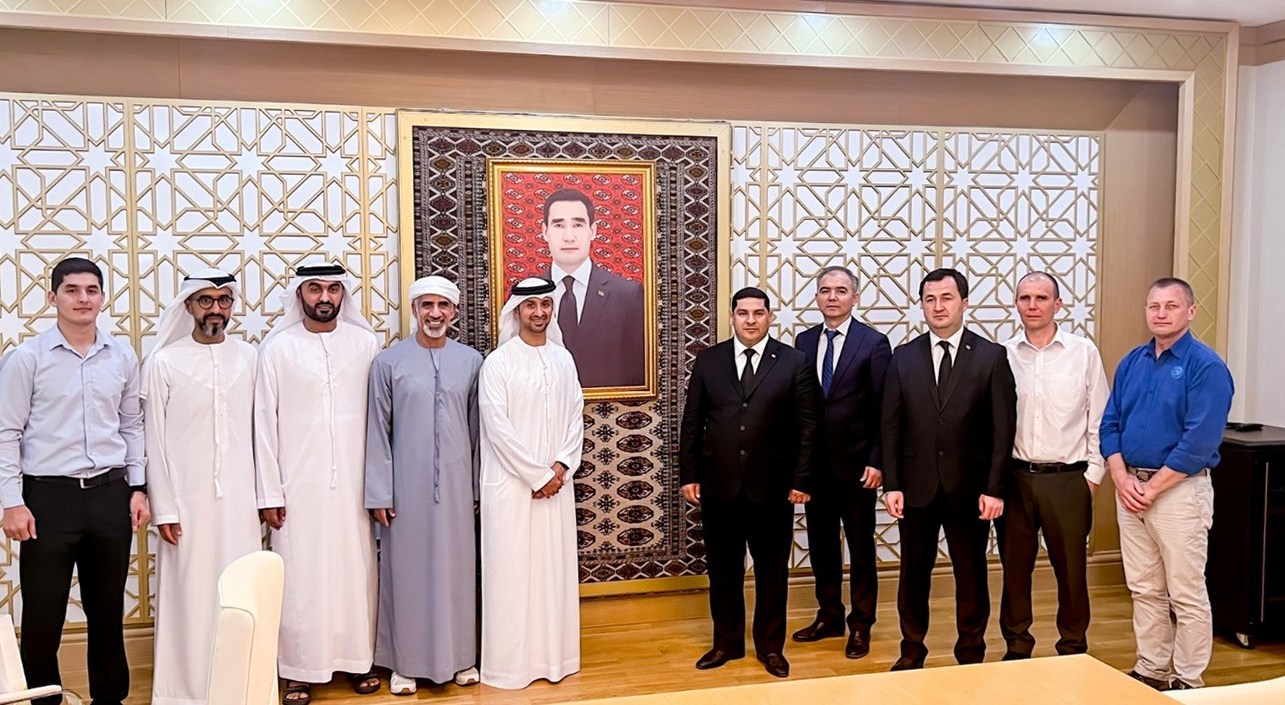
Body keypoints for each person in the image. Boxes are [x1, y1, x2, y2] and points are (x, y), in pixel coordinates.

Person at [0, 256, 150, 705]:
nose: (83, 299)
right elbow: (6, 432)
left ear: (103, 297)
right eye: (72, 290)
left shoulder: (122, 356)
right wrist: (11, 501)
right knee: (43, 613)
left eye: (91, 290)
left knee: (107, 610)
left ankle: (110, 699)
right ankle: (43, 700)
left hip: (109, 495)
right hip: (48, 499)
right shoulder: (27, 358)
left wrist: (138, 487)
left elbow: (131, 424)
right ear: (53, 297)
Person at [255, 263, 382, 704]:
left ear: (343, 295)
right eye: (314, 289)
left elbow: (380, 421)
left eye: (332, 289)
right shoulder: (277, 349)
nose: (324, 297)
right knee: (300, 575)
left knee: (356, 571)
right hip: (297, 486)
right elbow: (263, 425)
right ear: (300, 294)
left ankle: (358, 661)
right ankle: (299, 670)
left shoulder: (365, 344)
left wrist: (380, 487)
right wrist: (269, 492)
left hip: (354, 485)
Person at [678, 286, 820, 679]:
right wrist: (689, 474)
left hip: (773, 487)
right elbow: (692, 421)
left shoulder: (794, 362)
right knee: (723, 570)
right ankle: (726, 643)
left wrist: (801, 479)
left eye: (759, 313)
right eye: (743, 313)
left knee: (772, 572)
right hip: (718, 485)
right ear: (732, 316)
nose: (751, 320)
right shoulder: (709, 360)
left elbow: (809, 426)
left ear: (769, 317)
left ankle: (771, 647)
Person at [1101, 277, 1233, 691]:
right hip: (1130, 489)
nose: (1161, 313)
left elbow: (1199, 442)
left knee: (1186, 592)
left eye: (1171, 306)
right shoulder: (1132, 362)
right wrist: (1120, 477)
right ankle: (1152, 669)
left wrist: (1153, 488)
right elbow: (1110, 425)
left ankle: (1188, 679)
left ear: (1191, 311)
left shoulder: (1206, 366)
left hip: (1179, 493)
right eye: (1154, 306)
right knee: (1144, 588)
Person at [881, 268, 1016, 670]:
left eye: (946, 298)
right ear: (922, 305)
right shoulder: (904, 356)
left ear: (964, 303)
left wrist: (995, 488)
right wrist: (892, 484)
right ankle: (911, 649)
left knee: (971, 574)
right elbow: (890, 426)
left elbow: (1003, 430)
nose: (938, 307)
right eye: (930, 299)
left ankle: (971, 651)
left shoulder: (991, 356)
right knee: (913, 574)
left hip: (970, 489)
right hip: (916, 488)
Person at [145, 268, 262, 705]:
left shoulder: (249, 357)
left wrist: (264, 496)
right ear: (189, 306)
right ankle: (185, 691)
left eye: (224, 300)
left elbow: (263, 432)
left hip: (240, 500)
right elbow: (153, 440)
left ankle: (242, 688)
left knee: (239, 590)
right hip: (185, 503)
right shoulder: (165, 361)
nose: (216, 308)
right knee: (190, 595)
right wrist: (164, 508)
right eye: (206, 300)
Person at [365, 275, 483, 695]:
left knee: (457, 573)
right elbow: (377, 430)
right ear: (414, 310)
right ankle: (405, 664)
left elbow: (478, 432)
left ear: (454, 311)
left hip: (456, 488)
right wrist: (380, 492)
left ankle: (462, 659)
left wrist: (475, 489)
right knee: (407, 576)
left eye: (443, 305)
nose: (435, 313)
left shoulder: (471, 362)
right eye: (427, 305)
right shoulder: (388, 363)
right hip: (404, 491)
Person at [478, 277, 584, 689]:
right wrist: (538, 476)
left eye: (545, 304)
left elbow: (575, 417)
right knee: (511, 575)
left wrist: (560, 466)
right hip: (511, 488)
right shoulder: (498, 363)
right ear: (517, 311)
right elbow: (497, 428)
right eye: (530, 306)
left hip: (557, 486)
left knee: (552, 573)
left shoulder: (563, 359)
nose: (539, 312)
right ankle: (510, 667)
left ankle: (556, 659)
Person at [997, 271, 1109, 660]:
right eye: (1025, 298)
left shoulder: (1083, 352)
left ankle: (1073, 647)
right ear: (1016, 304)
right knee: (1014, 570)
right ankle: (1016, 645)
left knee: (1071, 570)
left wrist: (1092, 476)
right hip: (1015, 478)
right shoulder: (1003, 355)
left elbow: (1100, 417)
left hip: (1068, 479)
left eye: (1041, 298)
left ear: (1057, 304)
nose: (1032, 305)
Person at [791, 266, 891, 659]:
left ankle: (861, 624)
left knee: (861, 547)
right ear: (817, 296)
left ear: (855, 297)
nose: (832, 297)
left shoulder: (874, 343)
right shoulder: (804, 341)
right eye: (825, 290)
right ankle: (829, 615)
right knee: (822, 546)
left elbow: (884, 409)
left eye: (841, 290)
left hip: (858, 467)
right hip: (815, 467)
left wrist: (878, 460)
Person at [539, 187, 646, 388]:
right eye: (559, 225)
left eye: (578, 225)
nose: (569, 236)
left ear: (593, 230)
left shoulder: (627, 295)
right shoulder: (526, 295)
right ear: (545, 232)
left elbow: (637, 370)